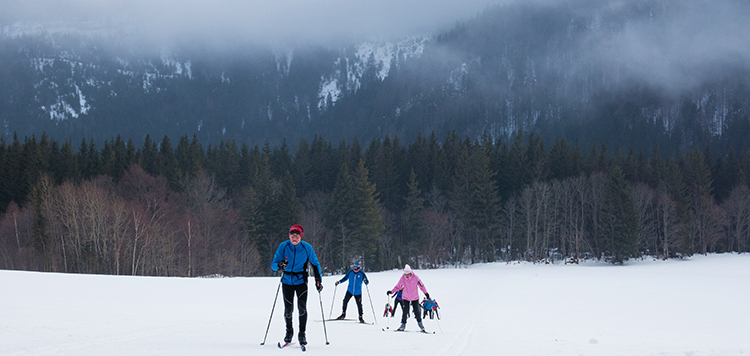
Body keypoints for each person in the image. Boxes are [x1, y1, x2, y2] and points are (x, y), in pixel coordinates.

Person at [271, 224, 323, 346]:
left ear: (301, 236)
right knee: (288, 310)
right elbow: (273, 264)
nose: (295, 237)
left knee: (302, 308)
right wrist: (279, 266)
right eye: (292, 235)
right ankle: (289, 332)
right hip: (287, 281)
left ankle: (302, 334)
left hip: (301, 281)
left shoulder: (307, 247)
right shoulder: (283, 246)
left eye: (297, 235)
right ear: (289, 236)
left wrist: (318, 280)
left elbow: (315, 264)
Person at [386, 264, 430, 332]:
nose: (406, 276)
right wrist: (391, 291)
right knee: (405, 311)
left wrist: (426, 293)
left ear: (410, 273)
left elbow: (422, 286)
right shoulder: (403, 278)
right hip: (406, 297)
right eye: (405, 274)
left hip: (414, 297)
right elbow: (398, 286)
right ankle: (402, 325)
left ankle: (421, 325)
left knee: (417, 312)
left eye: (408, 274)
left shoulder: (416, 278)